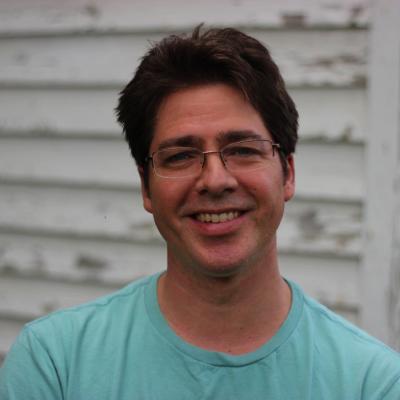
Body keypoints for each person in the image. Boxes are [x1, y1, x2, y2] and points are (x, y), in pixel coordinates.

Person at [1, 25, 399, 400]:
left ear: (288, 173)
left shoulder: (371, 384)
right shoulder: (56, 365)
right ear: (146, 186)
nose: (215, 180)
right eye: (181, 156)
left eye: (243, 149)